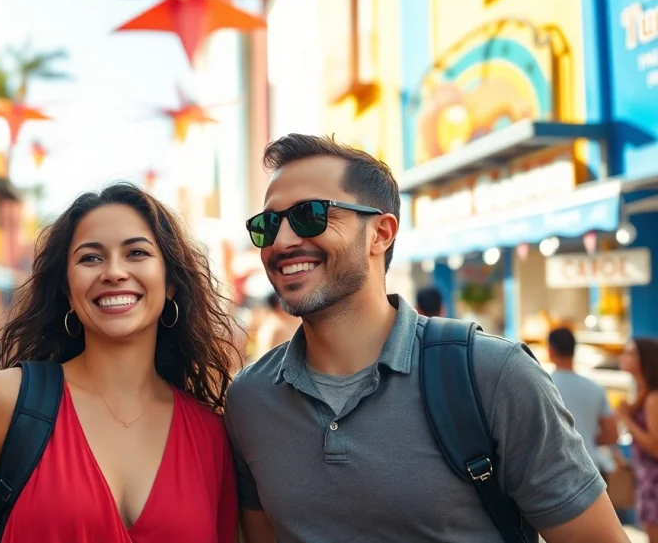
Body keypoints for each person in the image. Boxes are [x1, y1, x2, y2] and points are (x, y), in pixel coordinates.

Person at [228, 134, 626, 542]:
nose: (282, 241)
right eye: (268, 224)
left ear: (381, 233)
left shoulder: (492, 375)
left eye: (310, 215)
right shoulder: (249, 399)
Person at [0, 183, 239, 543]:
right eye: (91, 258)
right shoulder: (8, 403)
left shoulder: (212, 434)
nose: (114, 272)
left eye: (137, 252)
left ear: (170, 284)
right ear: (67, 291)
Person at [548, 327, 620, 481]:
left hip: (555, 472)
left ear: (550, 351)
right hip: (590, 470)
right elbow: (613, 435)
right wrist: (587, 437)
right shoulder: (595, 388)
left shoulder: (544, 387)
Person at [617, 338, 658, 542]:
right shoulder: (643, 394)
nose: (623, 356)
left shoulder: (652, 398)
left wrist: (626, 419)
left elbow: (655, 446)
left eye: (631, 352)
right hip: (647, 481)